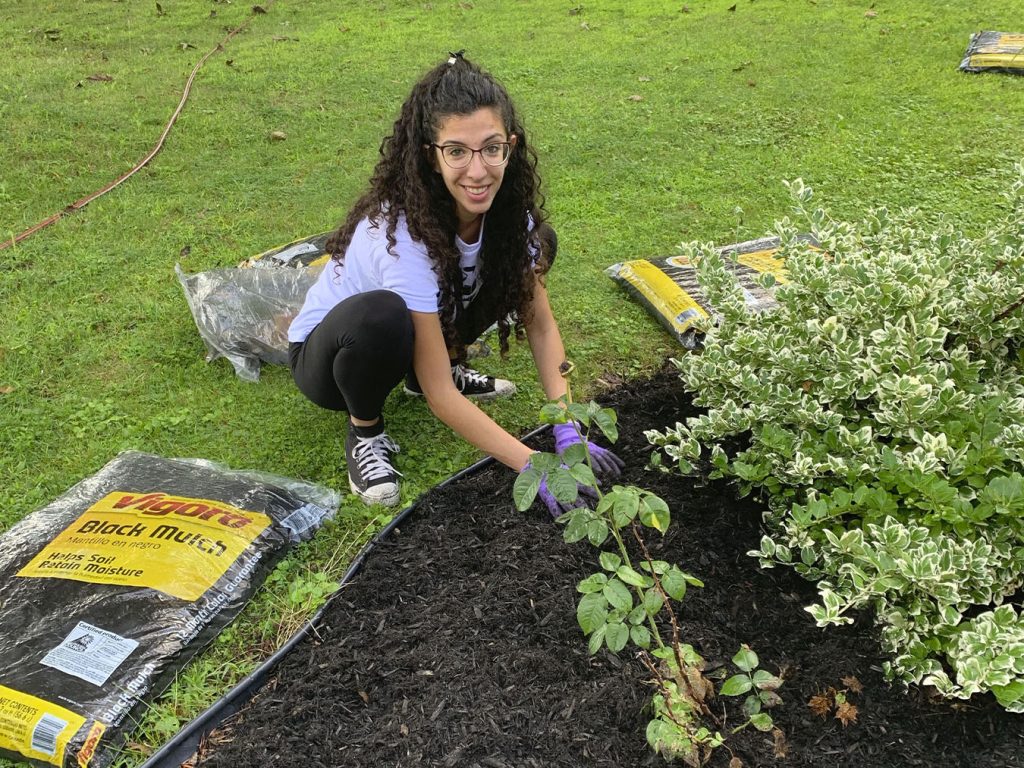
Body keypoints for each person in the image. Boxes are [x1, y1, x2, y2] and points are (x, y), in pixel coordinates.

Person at [287, 51, 622, 515]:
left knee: (533, 247)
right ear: (432, 155)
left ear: (510, 146)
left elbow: (542, 326)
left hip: (411, 331)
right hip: (331, 360)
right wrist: (532, 464)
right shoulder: (401, 237)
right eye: (457, 151)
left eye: (491, 148)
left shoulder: (508, 215)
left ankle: (434, 365)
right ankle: (365, 430)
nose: (478, 171)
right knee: (382, 315)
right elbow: (442, 399)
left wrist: (568, 424)